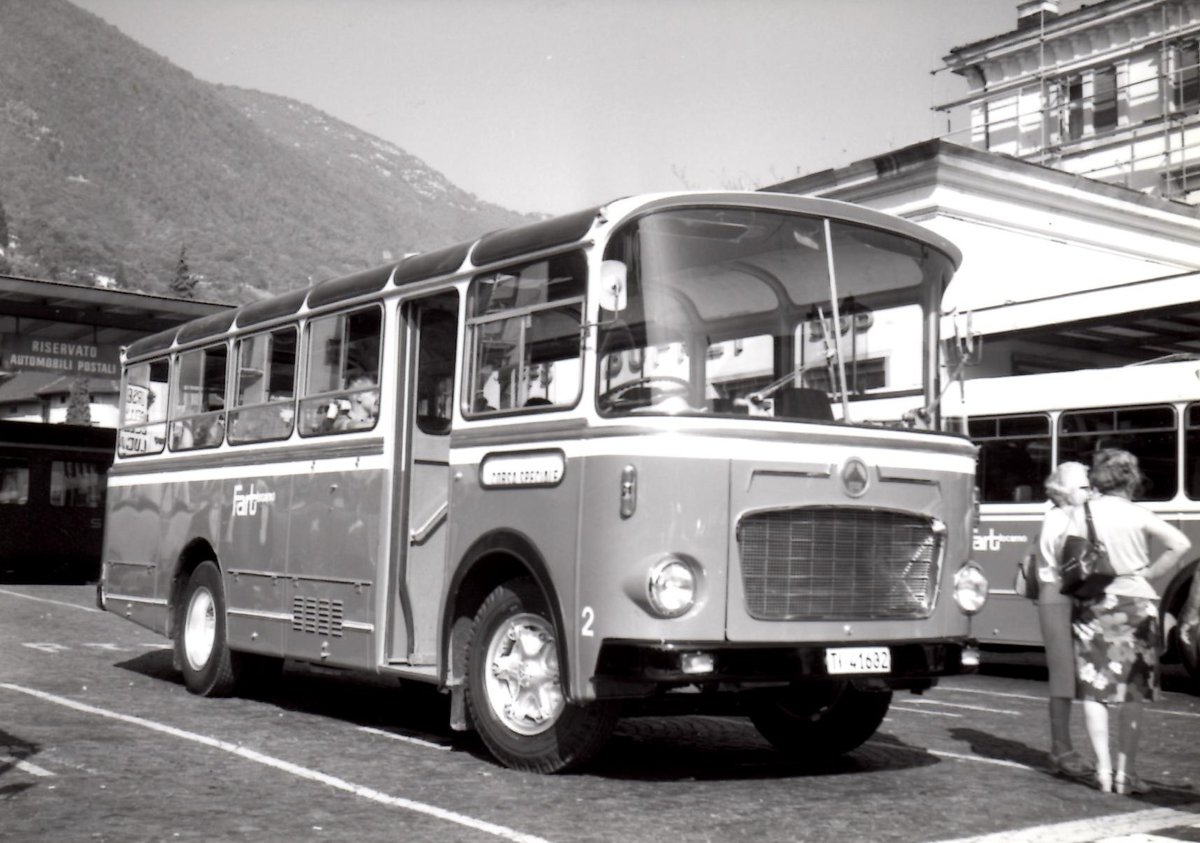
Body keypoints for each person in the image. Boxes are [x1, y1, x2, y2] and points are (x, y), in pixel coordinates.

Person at [1069, 449, 1191, 794]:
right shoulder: (1139, 514)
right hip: (1136, 604)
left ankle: (1103, 772)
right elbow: (1180, 544)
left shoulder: (1082, 513)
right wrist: (1149, 574)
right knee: (1131, 694)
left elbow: (1072, 562)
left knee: (1095, 693)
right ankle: (1127, 773)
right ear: (1130, 479)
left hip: (1094, 604)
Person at [1034, 461, 1094, 782]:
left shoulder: (1064, 516)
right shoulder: (1062, 520)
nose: (1090, 491)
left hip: (1061, 596)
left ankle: (1066, 747)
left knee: (1070, 676)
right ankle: (1061, 749)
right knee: (1062, 677)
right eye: (1084, 486)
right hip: (1060, 597)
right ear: (1066, 491)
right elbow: (1071, 566)